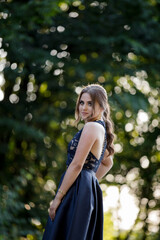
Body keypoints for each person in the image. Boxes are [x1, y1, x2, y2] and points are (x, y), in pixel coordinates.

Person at [42, 84, 114, 240]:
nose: (84, 107)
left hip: (76, 188)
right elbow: (108, 163)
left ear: (102, 107)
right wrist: (91, 182)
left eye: (90, 103)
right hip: (84, 189)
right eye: (82, 102)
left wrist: (57, 199)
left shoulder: (91, 127)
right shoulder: (101, 128)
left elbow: (76, 165)